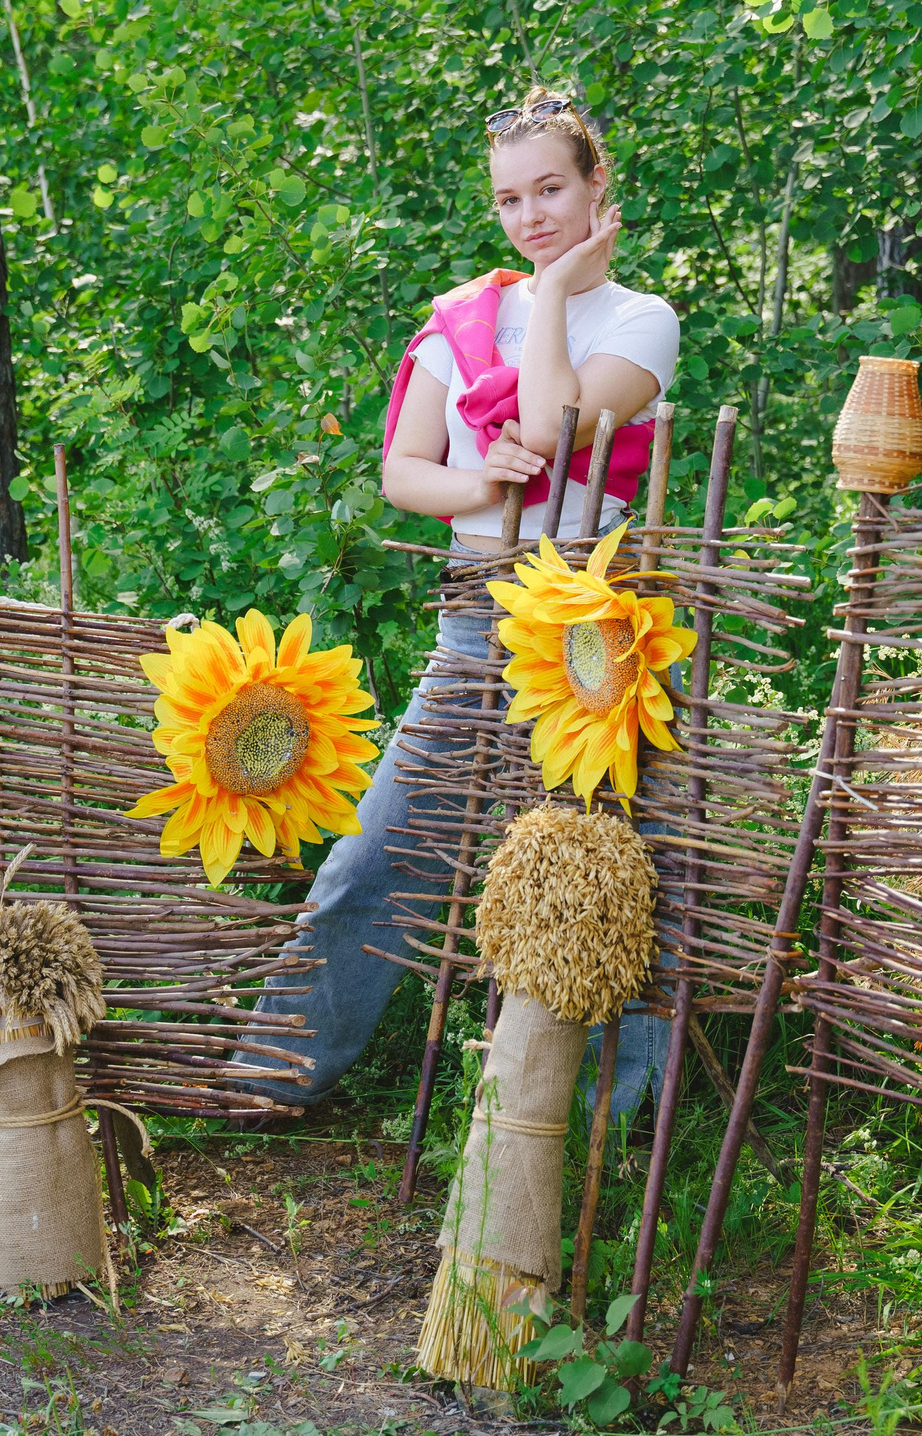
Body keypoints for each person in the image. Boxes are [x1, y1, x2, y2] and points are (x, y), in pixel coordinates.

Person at [241, 87, 680, 1115]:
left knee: (606, 865)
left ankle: (609, 1128)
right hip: (479, 618)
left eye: (550, 191)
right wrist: (486, 485)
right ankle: (269, 1080)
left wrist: (561, 292)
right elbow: (404, 471)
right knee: (380, 851)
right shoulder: (462, 315)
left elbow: (556, 417)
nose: (531, 218)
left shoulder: (640, 320)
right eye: (509, 200)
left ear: (594, 186)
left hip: (593, 626)